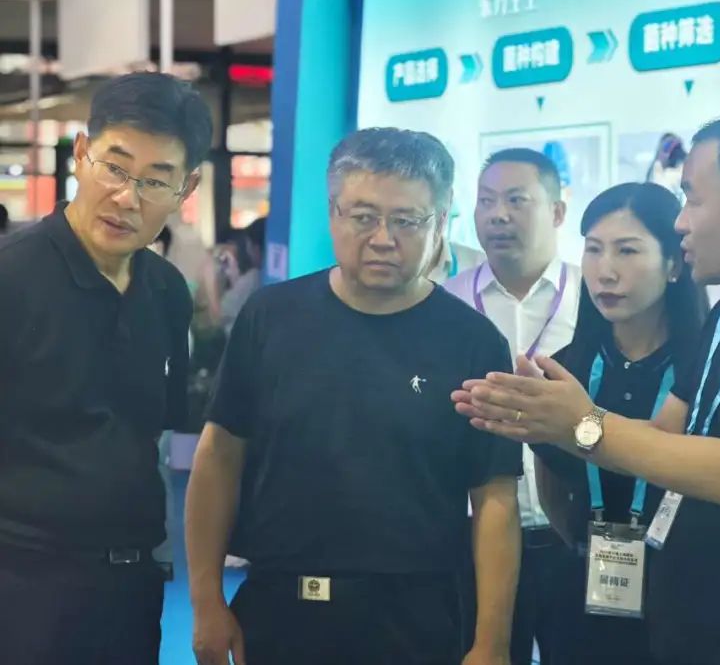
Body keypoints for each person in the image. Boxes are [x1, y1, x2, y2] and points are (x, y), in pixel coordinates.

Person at [454, 109, 720, 665]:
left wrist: (582, 424)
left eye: (693, 200)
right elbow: (664, 436)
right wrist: (549, 421)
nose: (681, 222)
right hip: (692, 621)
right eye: (594, 248)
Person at [186, 127, 522, 665]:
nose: (383, 238)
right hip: (280, 610)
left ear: (440, 222)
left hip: (416, 619)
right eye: (363, 216)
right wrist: (205, 598)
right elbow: (219, 456)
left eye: (406, 220)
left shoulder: (472, 341)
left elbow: (495, 498)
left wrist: (492, 644)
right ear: (333, 213)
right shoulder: (271, 318)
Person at [0, 72, 210, 663]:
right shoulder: (11, 278)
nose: (127, 198)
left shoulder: (166, 291)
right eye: (114, 168)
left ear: (186, 188)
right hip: (21, 586)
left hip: (131, 589)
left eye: (155, 180)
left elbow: (155, 434)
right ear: (81, 153)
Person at [530, 182, 707, 664]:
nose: (605, 271)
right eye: (593, 250)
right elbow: (550, 480)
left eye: (627, 251)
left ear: (674, 264)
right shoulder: (566, 368)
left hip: (687, 595)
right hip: (582, 589)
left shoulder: (705, 366)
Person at [445, 147, 581, 665]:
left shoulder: (593, 297)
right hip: (472, 538)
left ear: (557, 211)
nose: (498, 215)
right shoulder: (445, 303)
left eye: (516, 200)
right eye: (486, 201)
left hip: (570, 536)